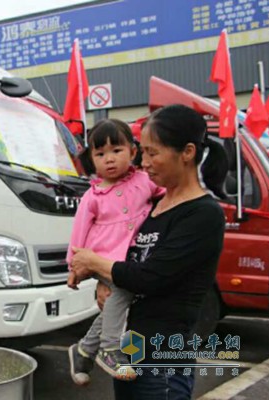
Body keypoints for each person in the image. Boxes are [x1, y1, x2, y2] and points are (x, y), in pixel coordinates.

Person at [70, 104, 226, 400]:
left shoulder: (202, 214)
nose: (144, 162)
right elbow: (124, 259)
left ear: (187, 152)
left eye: (153, 153)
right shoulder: (152, 205)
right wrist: (104, 282)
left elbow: (150, 277)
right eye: (143, 152)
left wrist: (94, 262)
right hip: (131, 351)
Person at [66, 119, 165, 385]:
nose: (109, 159)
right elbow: (78, 233)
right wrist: (74, 267)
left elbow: (168, 194)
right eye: (100, 154)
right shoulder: (93, 196)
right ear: (91, 159)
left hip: (131, 260)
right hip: (103, 259)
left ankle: (84, 349)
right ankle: (109, 348)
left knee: (117, 301)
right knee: (121, 292)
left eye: (116, 151)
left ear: (133, 152)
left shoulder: (144, 181)